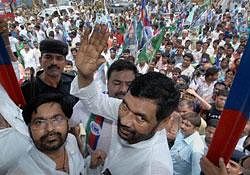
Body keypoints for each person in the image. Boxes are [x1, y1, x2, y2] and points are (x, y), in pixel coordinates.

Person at [71, 24, 180, 174]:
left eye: (140, 118)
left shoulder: (155, 168)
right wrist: (84, 75)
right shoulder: (128, 108)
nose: (125, 121)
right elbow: (94, 101)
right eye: (124, 107)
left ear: (163, 123)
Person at [7, 93, 104, 174]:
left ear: (68, 122)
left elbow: (80, 169)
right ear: (29, 129)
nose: (49, 129)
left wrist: (91, 165)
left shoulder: (71, 141)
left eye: (57, 119)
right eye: (39, 122)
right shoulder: (22, 171)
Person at [70, 59, 137, 155]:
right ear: (107, 82)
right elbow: (72, 133)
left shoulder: (141, 114)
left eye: (129, 84)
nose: (123, 89)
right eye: (117, 83)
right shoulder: (84, 105)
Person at [21, 39, 78, 108]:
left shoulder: (73, 82)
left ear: (65, 63)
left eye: (59, 58)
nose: (54, 62)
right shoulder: (28, 89)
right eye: (48, 57)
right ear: (40, 60)